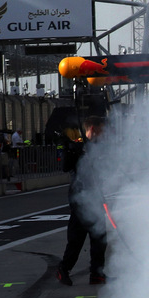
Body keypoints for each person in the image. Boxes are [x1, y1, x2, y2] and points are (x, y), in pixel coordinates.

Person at [55, 116, 108, 286]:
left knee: (99, 237)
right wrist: (76, 150)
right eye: (101, 129)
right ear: (93, 128)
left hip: (95, 197)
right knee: (77, 239)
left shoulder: (98, 147)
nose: (104, 133)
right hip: (81, 198)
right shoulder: (77, 146)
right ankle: (64, 268)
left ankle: (97, 273)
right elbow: (66, 167)